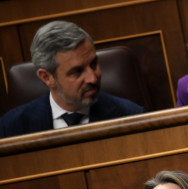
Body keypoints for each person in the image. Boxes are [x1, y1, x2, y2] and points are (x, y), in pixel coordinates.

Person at [0, 21, 144, 138]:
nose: (92, 78)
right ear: (47, 77)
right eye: (77, 71)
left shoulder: (131, 116)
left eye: (94, 64)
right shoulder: (11, 128)